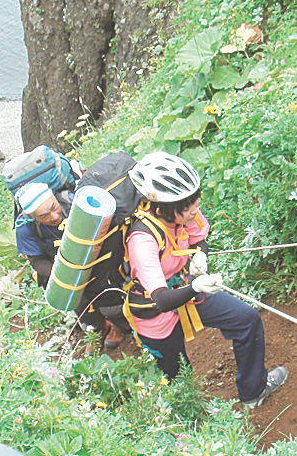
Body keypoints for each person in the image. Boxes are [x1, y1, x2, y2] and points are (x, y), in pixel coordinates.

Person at [123, 152, 288, 407]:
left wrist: (200, 256)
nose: (194, 211)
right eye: (188, 208)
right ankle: (193, 431)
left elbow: (198, 236)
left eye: (196, 204)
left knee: (246, 320)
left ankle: (253, 391)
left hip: (184, 285)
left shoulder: (182, 210)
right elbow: (162, 299)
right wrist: (196, 286)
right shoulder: (142, 240)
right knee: (179, 376)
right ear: (161, 210)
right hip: (154, 310)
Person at [14, 182, 128, 349]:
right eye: (44, 216)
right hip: (63, 269)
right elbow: (36, 261)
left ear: (54, 197)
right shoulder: (26, 228)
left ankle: (119, 325)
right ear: (32, 217)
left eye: (54, 207)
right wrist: (64, 271)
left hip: (95, 257)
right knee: (78, 303)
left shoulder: (75, 204)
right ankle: (98, 327)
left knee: (106, 294)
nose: (54, 217)